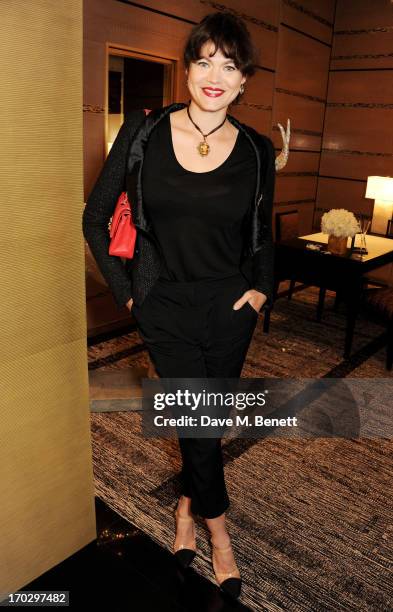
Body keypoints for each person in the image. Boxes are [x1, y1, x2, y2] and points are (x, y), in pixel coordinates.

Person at [83, 11, 277, 601]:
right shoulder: (143, 133)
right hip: (163, 303)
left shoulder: (257, 149)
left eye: (230, 65)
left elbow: (262, 232)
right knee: (198, 421)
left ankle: (186, 512)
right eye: (205, 61)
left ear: (244, 80)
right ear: (187, 69)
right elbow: (95, 220)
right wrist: (130, 293)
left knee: (204, 423)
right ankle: (219, 535)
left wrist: (260, 291)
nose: (215, 75)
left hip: (229, 306)